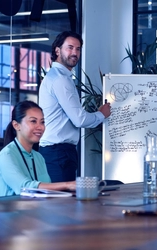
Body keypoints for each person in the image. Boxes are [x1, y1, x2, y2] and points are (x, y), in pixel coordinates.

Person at [38, 31, 111, 182]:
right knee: (61, 203)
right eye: (70, 48)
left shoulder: (59, 77)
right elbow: (79, 119)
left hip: (58, 152)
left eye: (78, 49)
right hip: (58, 152)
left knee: (59, 202)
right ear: (57, 50)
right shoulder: (60, 79)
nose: (74, 53)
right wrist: (101, 114)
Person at [0, 101, 76, 197]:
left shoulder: (38, 157)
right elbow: (24, 188)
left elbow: (46, 190)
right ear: (16, 125)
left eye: (42, 122)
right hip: (9, 211)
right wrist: (68, 185)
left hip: (33, 210)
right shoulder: (7, 155)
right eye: (33, 121)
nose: (40, 127)